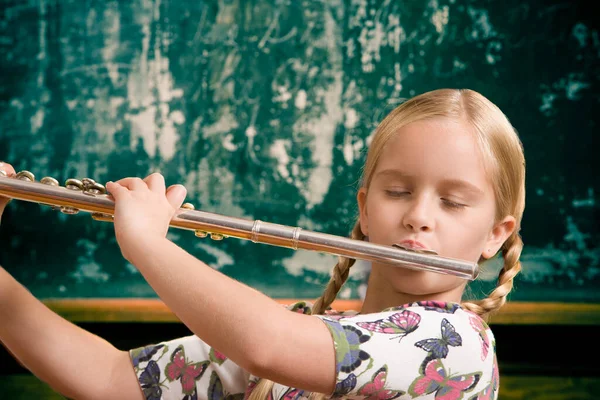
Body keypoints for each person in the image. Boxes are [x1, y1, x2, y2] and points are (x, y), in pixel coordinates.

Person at [0, 88, 525, 400]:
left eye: (454, 202)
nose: (418, 216)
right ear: (365, 210)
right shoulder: (303, 332)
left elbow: (267, 345)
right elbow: (109, 380)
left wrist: (146, 244)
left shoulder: (457, 348)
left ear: (494, 236)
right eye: (398, 191)